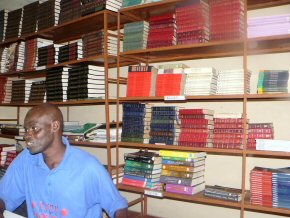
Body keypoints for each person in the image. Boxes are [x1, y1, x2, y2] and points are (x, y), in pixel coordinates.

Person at [0, 103, 128, 218]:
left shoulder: (87, 167)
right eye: (26, 130)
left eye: (34, 128)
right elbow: (4, 197)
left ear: (54, 126)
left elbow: (118, 207)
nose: (27, 135)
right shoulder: (26, 160)